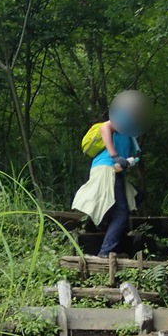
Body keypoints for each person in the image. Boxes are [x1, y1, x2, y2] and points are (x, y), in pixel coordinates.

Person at [72, 90, 148, 258]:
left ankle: (103, 228)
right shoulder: (123, 117)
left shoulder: (131, 128)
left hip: (115, 171)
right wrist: (115, 156)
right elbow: (106, 127)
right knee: (121, 213)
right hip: (107, 168)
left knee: (136, 196)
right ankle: (105, 253)